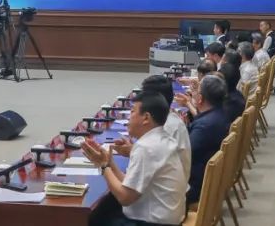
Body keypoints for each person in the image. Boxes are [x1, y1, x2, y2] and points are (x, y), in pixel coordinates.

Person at [82, 92, 187, 225]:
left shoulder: (146, 147)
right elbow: (130, 184)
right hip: (166, 219)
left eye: (132, 112)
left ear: (146, 118)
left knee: (95, 218)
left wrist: (103, 166)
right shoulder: (163, 139)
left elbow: (125, 197)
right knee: (104, 211)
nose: (128, 118)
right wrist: (110, 163)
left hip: (153, 223)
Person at [186, 75, 229, 207]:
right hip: (206, 180)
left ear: (200, 98)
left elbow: (182, 156)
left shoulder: (205, 126)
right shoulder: (220, 114)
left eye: (197, 91)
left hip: (193, 186)